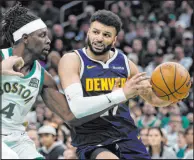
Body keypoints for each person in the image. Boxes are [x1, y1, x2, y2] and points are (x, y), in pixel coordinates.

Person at [58, 10, 172, 159]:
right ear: (88, 33)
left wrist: (174, 96)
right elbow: (77, 107)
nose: (99, 38)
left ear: (114, 40)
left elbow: (152, 98)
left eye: (106, 35)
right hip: (92, 138)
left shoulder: (126, 64)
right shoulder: (73, 60)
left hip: (126, 136)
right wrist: (122, 94)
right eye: (95, 32)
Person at [0, 3, 74, 159]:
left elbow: (68, 114)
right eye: (42, 35)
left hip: (17, 138)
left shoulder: (44, 78)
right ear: (25, 38)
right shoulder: (2, 57)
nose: (48, 40)